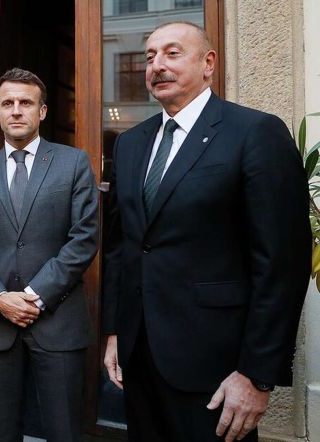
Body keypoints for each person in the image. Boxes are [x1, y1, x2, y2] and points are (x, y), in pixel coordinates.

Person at [101, 21, 310, 442]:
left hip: (216, 368)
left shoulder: (255, 132)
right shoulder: (130, 143)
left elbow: (282, 264)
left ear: (208, 63)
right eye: (150, 57)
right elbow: (121, 247)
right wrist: (115, 333)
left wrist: (257, 375)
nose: (157, 65)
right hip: (140, 357)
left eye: (172, 53)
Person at [0, 68, 99, 442]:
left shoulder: (73, 163)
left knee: (63, 431)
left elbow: (84, 238)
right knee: (3, 431)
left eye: (26, 102)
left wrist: (34, 296)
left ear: (42, 111)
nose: (16, 110)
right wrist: (0, 299)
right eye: (8, 103)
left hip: (57, 321)